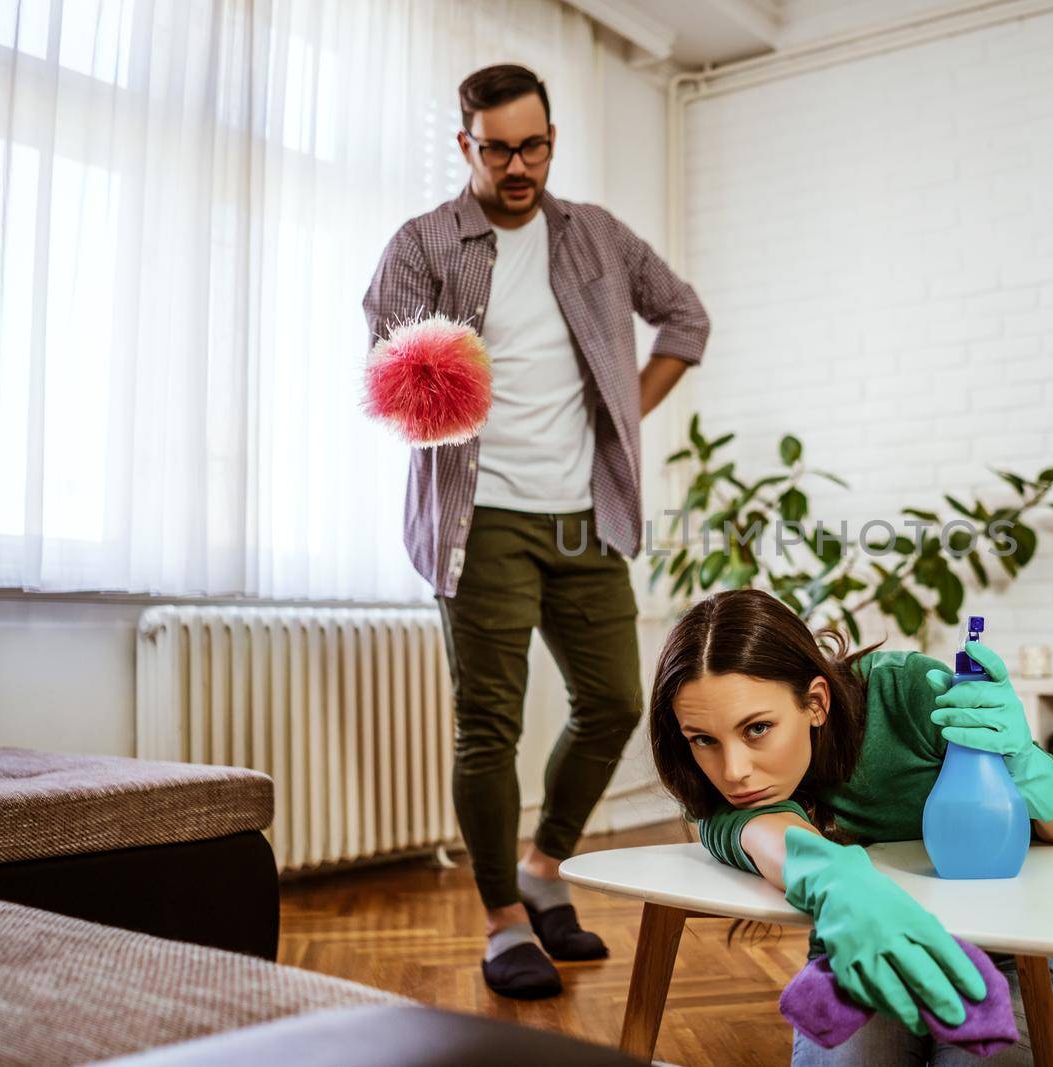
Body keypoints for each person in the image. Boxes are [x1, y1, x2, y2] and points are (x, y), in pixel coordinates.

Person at [362, 63, 710, 1000]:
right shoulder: (425, 244)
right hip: (483, 522)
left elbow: (685, 319)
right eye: (500, 147)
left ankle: (544, 867)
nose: (521, 165)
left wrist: (625, 417)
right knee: (491, 724)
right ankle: (503, 918)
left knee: (615, 703)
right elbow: (392, 376)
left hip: (585, 518)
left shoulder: (596, 234)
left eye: (537, 144)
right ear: (465, 143)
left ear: (552, 137)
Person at [648, 588, 1053, 1065]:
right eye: (704, 739)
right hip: (860, 957)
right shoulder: (713, 785)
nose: (733, 771)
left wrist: (1025, 764)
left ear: (815, 702)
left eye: (758, 728)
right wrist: (837, 885)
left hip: (1002, 955)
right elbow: (771, 835)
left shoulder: (909, 694)